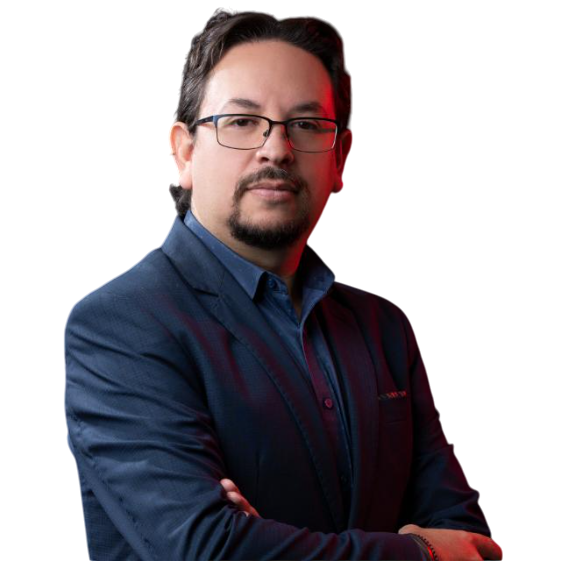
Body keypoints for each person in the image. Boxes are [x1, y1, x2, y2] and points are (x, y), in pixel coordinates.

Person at [63, 8, 503, 561]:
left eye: (307, 125)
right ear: (184, 151)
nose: (276, 149)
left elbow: (474, 542)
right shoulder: (119, 324)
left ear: (340, 159)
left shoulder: (385, 328)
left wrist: (263, 540)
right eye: (241, 121)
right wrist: (420, 552)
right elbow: (207, 551)